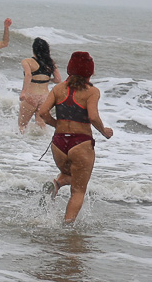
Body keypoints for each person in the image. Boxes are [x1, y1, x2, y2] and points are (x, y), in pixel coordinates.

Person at [36, 51, 114, 224]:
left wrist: (57, 125)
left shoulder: (58, 89)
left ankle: (56, 184)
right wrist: (104, 131)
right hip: (80, 143)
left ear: (69, 69)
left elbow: (42, 112)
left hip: (58, 143)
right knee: (78, 190)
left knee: (69, 175)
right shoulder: (92, 91)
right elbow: (93, 117)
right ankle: (67, 228)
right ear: (90, 71)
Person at [18, 37, 63, 132]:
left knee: (22, 125)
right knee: (41, 126)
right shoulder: (50, 62)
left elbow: (28, 75)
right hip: (45, 97)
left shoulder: (27, 61)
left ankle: (20, 141)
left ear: (33, 49)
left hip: (31, 96)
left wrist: (23, 92)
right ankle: (42, 141)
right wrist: (47, 79)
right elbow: (58, 79)